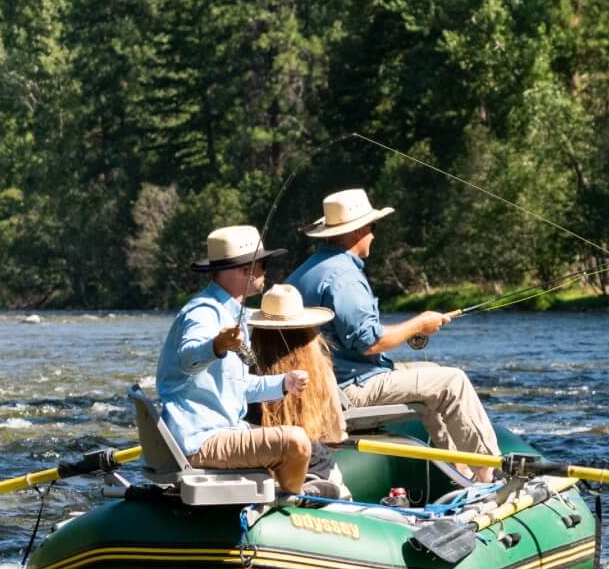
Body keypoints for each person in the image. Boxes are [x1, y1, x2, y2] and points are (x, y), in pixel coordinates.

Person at [284, 187, 501, 482]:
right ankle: (492, 474)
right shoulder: (343, 277)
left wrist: (417, 325)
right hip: (347, 391)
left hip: (323, 386)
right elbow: (371, 343)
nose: (374, 234)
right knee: (453, 381)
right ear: (357, 230)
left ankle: (460, 472)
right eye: (372, 228)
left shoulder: (305, 272)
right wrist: (419, 324)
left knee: (433, 372)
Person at [154, 225, 313, 494]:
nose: (266, 271)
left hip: (224, 431)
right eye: (263, 264)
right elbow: (188, 358)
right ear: (245, 270)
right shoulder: (204, 312)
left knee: (309, 447)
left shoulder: (231, 312)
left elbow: (237, 387)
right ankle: (289, 508)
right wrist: (216, 345)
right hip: (200, 441)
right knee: (296, 442)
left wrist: (284, 383)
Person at [245, 286, 350, 498]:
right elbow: (336, 432)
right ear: (306, 329)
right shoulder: (320, 368)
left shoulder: (243, 370)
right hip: (313, 467)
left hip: (261, 471)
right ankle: (307, 491)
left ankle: (291, 493)